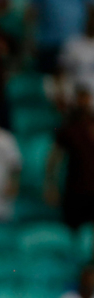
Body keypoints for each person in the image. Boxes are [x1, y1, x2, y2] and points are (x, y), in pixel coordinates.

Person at [46, 89, 94, 230]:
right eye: (80, 99)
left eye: (86, 99)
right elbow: (54, 158)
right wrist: (51, 184)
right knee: (73, 231)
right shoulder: (68, 127)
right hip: (75, 191)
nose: (84, 103)